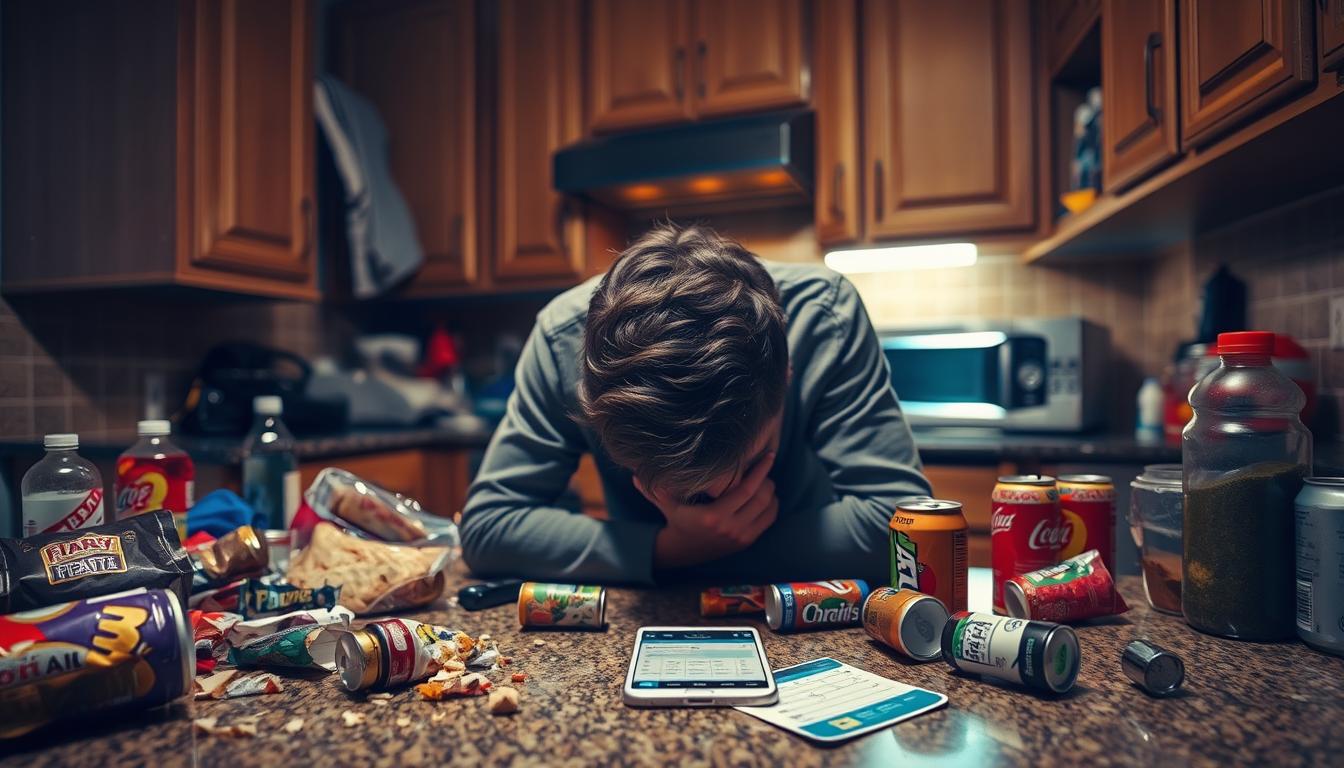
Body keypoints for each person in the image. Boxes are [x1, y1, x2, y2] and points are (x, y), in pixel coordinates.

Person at [461, 223, 930, 585]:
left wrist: (693, 551)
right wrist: (668, 549)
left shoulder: (827, 315)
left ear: (786, 380)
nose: (712, 503)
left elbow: (905, 528)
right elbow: (488, 529)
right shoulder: (561, 342)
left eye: (740, 466)